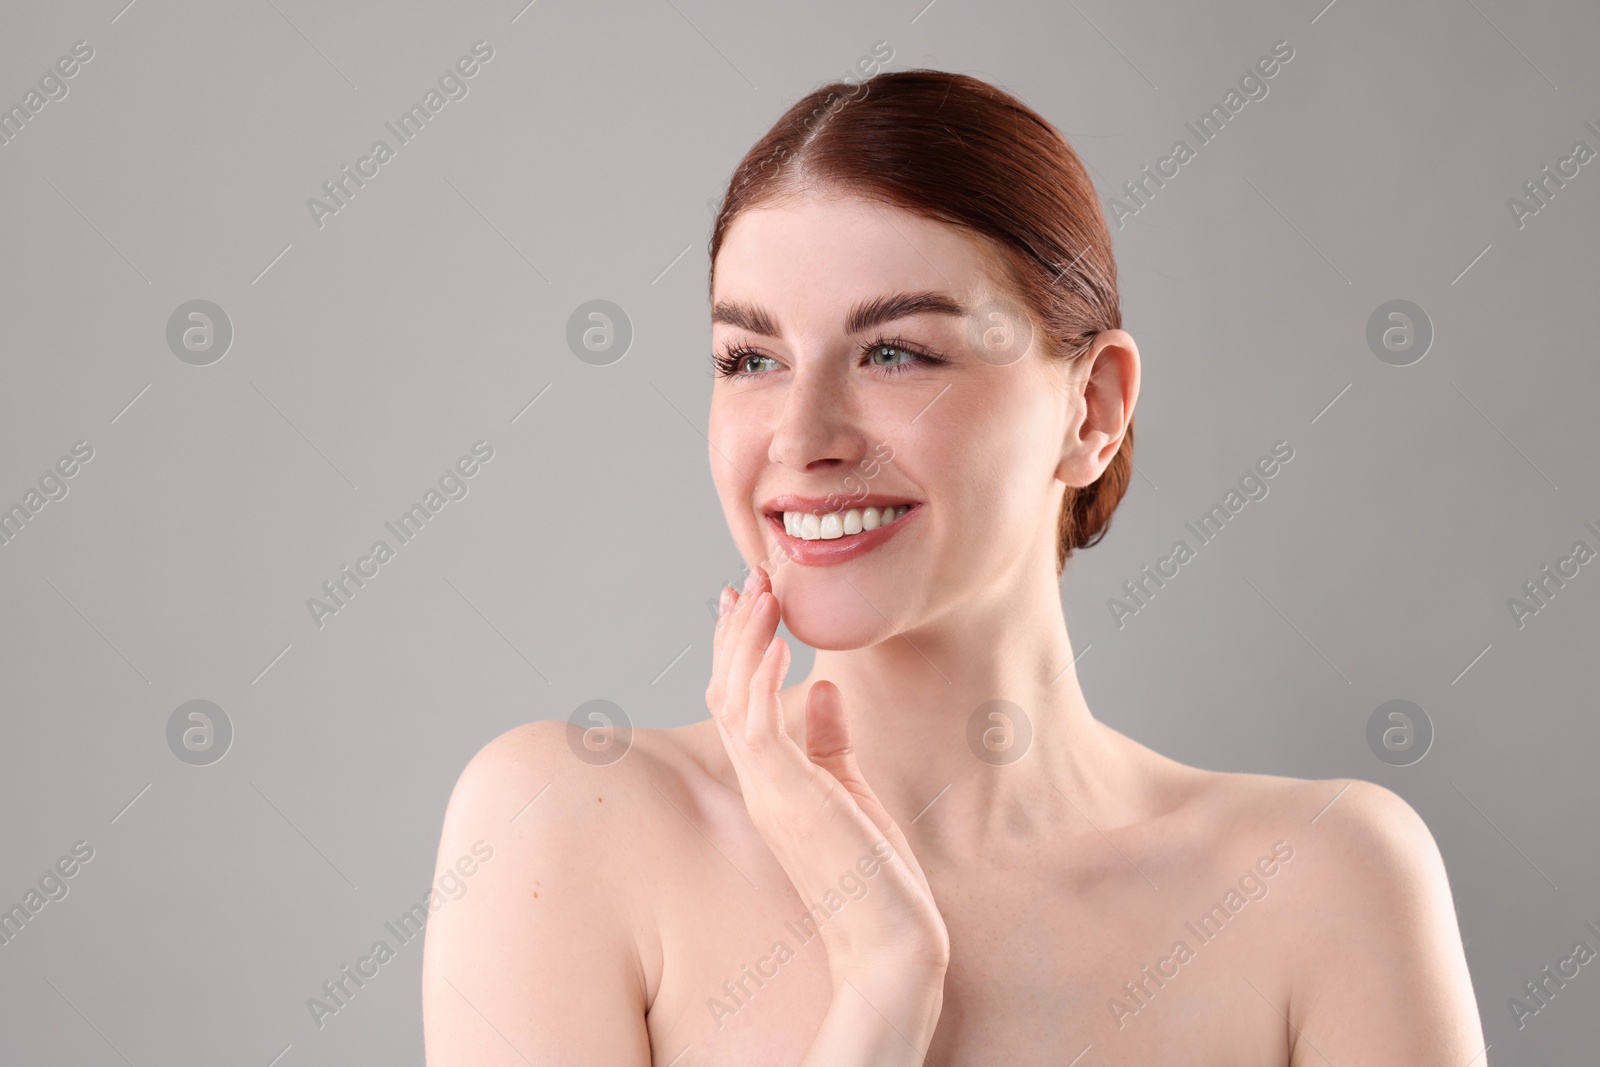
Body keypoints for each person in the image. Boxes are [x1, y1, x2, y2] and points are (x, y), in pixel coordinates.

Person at [421, 69, 1487, 1065]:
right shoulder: (566, 824)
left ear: (1092, 409)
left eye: (895, 351)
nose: (802, 435)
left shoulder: (1322, 883)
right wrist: (883, 990)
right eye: (751, 359)